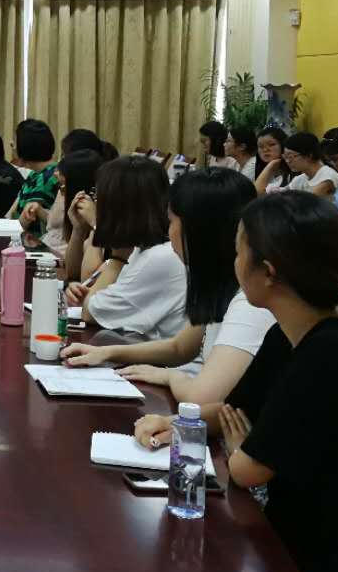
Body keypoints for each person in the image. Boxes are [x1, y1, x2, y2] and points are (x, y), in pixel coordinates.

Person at [147, 193, 338, 572]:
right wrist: (176, 422)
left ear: (268, 271)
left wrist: (240, 447)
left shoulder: (330, 353)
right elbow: (233, 412)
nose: (233, 262)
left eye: (239, 251)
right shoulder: (288, 335)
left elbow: (247, 469)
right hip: (288, 560)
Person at [63, 168, 272, 407]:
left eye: (172, 221)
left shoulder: (249, 304)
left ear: (197, 230)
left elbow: (201, 398)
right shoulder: (218, 283)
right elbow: (180, 347)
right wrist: (108, 353)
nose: (168, 230)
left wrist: (169, 376)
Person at [68, 155, 188, 344]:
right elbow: (91, 289)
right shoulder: (144, 247)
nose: (96, 204)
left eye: (99, 198)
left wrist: (117, 258)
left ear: (118, 207)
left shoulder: (159, 257)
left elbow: (91, 313)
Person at [42, 149, 104, 258]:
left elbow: (88, 269)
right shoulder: (73, 210)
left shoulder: (96, 214)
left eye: (63, 186)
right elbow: (71, 268)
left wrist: (94, 224)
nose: (55, 174)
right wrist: (78, 230)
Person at [7, 119, 58, 237]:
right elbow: (11, 213)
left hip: (34, 242)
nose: (11, 144)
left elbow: (24, 223)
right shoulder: (34, 175)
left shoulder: (48, 178)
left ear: (27, 146)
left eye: (15, 141)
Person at [275, 132, 338, 198]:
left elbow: (309, 203)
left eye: (290, 156)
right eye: (285, 157)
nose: (288, 161)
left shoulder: (327, 178)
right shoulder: (301, 179)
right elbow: (280, 196)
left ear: (309, 155)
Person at [253, 126, 291, 193]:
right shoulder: (256, 169)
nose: (265, 150)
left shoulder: (294, 172)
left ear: (283, 145)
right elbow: (255, 194)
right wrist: (270, 165)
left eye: (271, 145)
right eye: (261, 146)